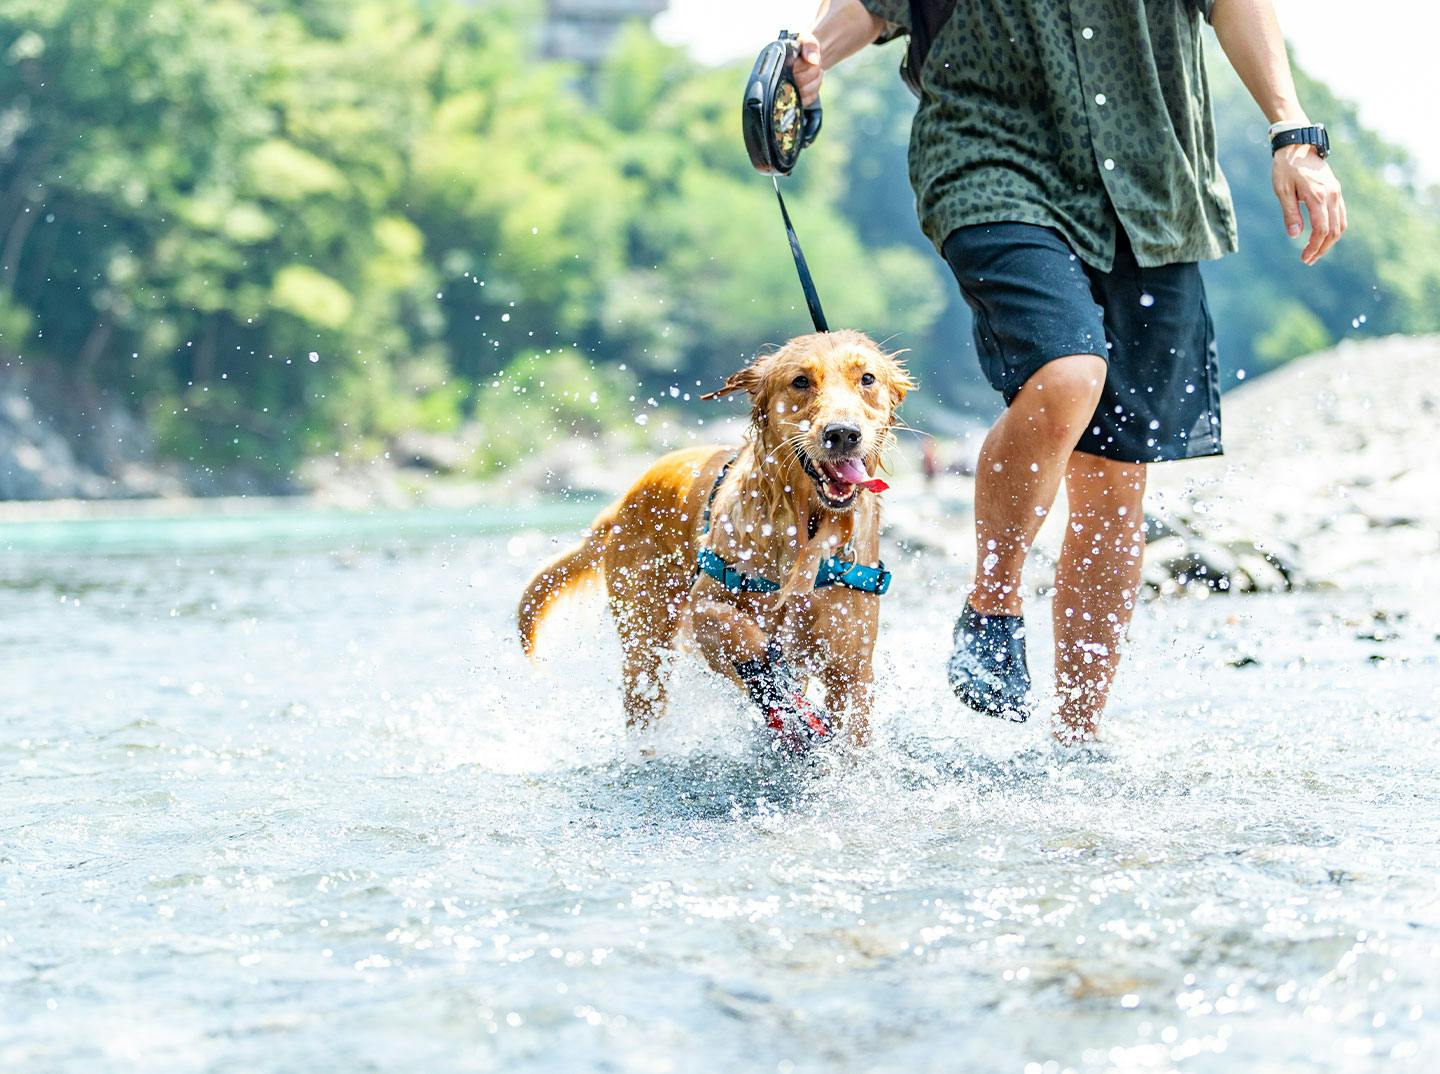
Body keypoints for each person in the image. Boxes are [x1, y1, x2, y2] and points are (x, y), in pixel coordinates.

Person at [793, 0, 1346, 742]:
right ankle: (993, 603)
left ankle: (1076, 738)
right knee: (1068, 372)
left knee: (1115, 475)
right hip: (990, 162)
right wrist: (812, 59)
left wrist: (1293, 131)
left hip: (1150, 186)